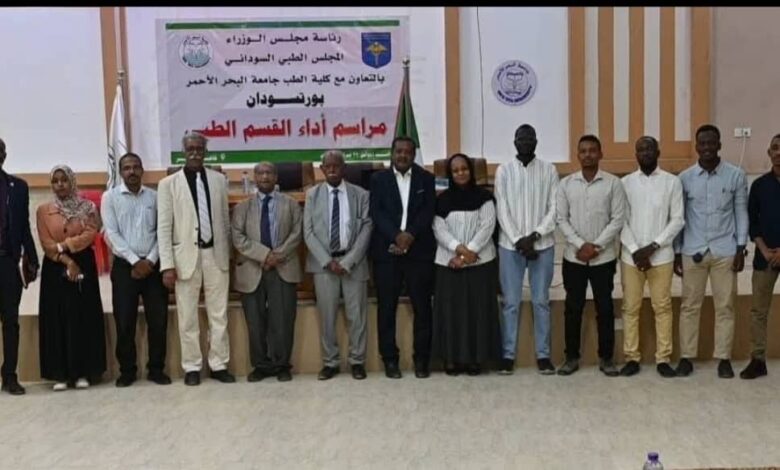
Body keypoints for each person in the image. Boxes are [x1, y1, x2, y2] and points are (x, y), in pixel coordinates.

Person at [157, 132, 234, 386]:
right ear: (183, 151)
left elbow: (225, 220)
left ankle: (219, 364)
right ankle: (191, 366)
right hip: (185, 258)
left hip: (216, 254)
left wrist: (228, 254)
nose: (195, 153)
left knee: (219, 314)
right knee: (187, 315)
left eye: (199, 148)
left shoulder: (219, 180)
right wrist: (167, 265)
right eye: (190, 148)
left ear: (205, 151)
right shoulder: (168, 184)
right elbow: (164, 228)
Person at [673, 124, 748, 379]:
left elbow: (741, 213)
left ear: (719, 145)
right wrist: (677, 252)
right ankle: (686, 357)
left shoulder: (735, 175)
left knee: (725, 307)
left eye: (711, 143)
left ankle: (723, 358)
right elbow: (680, 218)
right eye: (702, 143)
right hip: (692, 250)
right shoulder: (684, 178)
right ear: (696, 147)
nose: (706, 148)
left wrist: (740, 248)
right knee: (689, 306)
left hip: (725, 250)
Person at [556, 135, 626, 377]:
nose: (588, 154)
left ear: (600, 154)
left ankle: (606, 358)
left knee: (604, 308)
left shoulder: (613, 183)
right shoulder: (566, 184)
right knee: (572, 308)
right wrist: (580, 245)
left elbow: (618, 219)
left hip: (603, 258)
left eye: (592, 150)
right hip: (573, 257)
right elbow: (561, 219)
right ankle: (571, 357)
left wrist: (595, 246)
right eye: (583, 151)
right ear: (578, 155)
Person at [494, 124, 559, 375]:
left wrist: (534, 236)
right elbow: (502, 209)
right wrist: (518, 240)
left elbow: (554, 208)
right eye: (521, 139)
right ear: (514, 142)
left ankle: (543, 355)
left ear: (536, 141)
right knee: (511, 302)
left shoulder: (549, 170)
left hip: (542, 245)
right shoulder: (504, 171)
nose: (525, 142)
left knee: (541, 301)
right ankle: (507, 355)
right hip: (510, 247)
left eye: (530, 138)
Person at [101, 153, 171, 387]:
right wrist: (134, 261)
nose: (131, 171)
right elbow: (112, 233)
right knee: (124, 321)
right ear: (121, 172)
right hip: (125, 267)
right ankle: (127, 371)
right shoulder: (110, 198)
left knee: (158, 321)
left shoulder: (155, 196)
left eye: (135, 167)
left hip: (153, 265)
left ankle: (156, 369)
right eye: (126, 168)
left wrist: (150, 260)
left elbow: (163, 231)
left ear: (142, 170)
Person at [369, 136, 436, 379]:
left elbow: (428, 211)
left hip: (419, 252)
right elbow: (376, 212)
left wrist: (410, 236)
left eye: (407, 152)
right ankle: (390, 360)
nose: (403, 155)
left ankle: (422, 359)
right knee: (387, 309)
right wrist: (397, 236)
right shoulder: (378, 179)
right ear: (392, 153)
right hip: (387, 252)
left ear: (414, 154)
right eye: (398, 151)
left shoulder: (426, 179)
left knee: (422, 308)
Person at [36, 165, 106, 391]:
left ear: (72, 181)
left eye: (64, 180)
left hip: (84, 261)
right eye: (55, 181)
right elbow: (46, 243)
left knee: (82, 315)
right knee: (58, 318)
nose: (60, 185)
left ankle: (83, 372)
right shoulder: (43, 210)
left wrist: (65, 245)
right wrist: (67, 261)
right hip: (55, 265)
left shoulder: (88, 208)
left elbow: (90, 234)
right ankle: (60, 374)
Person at [304, 150, 373, 380]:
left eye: (337, 166)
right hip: (323, 265)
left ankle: (357, 361)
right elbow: (308, 232)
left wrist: (348, 261)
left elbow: (366, 229)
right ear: (322, 169)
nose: (332, 169)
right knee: (327, 316)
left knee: (357, 316)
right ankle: (330, 362)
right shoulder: (312, 195)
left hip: (354, 263)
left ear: (344, 168)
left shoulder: (360, 194)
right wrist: (327, 261)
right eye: (328, 166)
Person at [619, 136, 684, 378]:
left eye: (649, 149)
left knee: (663, 307)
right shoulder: (625, 183)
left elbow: (677, 219)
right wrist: (635, 249)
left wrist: (653, 246)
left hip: (661, 257)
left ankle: (663, 358)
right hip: (631, 257)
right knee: (630, 308)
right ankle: (631, 357)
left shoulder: (672, 182)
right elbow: (620, 220)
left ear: (658, 152)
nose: (645, 153)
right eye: (640, 149)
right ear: (635, 154)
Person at [431, 153, 501, 375]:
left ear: (471, 171)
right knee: (451, 313)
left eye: (464, 169)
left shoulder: (485, 197)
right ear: (450, 174)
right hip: (448, 263)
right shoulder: (441, 200)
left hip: (480, 263)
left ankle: (475, 359)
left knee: (477, 312)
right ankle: (451, 359)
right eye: (455, 170)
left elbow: (487, 227)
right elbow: (439, 230)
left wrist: (466, 254)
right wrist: (460, 250)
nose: (460, 173)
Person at [232, 162, 302, 382]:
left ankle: (282, 365)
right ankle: (260, 365)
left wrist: (276, 256)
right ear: (255, 177)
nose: (264, 177)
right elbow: (237, 237)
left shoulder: (291, 204)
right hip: (252, 269)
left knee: (283, 319)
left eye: (269, 173)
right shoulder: (242, 207)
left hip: (283, 267)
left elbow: (297, 233)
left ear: (276, 177)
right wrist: (264, 255)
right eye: (260, 173)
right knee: (255, 322)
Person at [0, 138, 39, 395]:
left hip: (6, 262)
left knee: (11, 320)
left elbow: (24, 226)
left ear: (4, 156)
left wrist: (32, 259)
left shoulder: (18, 187)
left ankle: (10, 375)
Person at [740, 133, 780, 379]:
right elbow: (752, 223)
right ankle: (758, 360)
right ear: (769, 153)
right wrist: (765, 250)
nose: (779, 152)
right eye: (775, 148)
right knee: (758, 311)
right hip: (764, 257)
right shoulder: (759, 186)